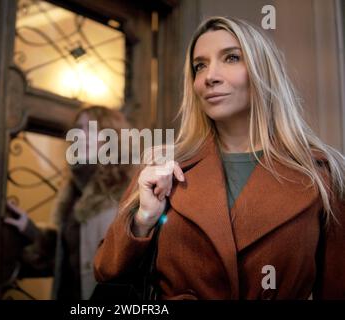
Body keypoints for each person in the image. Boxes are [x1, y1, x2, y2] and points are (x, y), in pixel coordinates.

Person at [94, 16, 345, 300]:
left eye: (231, 58)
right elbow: (107, 272)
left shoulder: (322, 174)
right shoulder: (164, 164)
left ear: (263, 72)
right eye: (200, 65)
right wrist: (143, 219)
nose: (209, 76)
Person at [5, 106, 132, 300]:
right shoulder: (72, 193)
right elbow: (68, 259)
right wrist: (29, 229)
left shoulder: (126, 192)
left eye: (91, 129)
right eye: (78, 128)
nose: (80, 135)